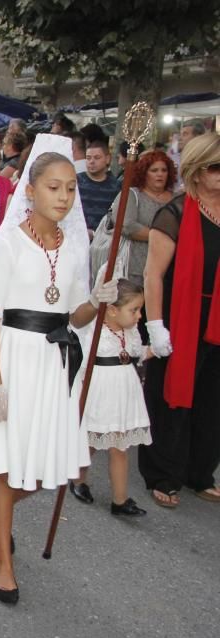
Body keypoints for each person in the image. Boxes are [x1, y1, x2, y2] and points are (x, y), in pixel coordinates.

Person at [0, 135, 117, 605]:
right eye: (54, 187)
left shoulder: (74, 245)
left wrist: (96, 300)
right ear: (31, 190)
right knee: (8, 467)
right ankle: (2, 558)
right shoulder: (7, 242)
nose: (64, 197)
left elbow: (73, 316)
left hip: (52, 362)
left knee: (51, 471)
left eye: (70, 188)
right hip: (13, 358)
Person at [139, 133, 220, 509]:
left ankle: (199, 472)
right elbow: (153, 275)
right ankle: (163, 474)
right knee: (171, 398)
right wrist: (156, 327)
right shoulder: (173, 213)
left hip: (217, 318)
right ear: (198, 171)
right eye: (216, 167)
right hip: (180, 317)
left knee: (212, 400)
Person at [68, 279, 150, 516]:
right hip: (100, 392)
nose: (139, 316)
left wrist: (153, 350)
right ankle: (78, 479)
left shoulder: (130, 331)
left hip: (124, 392)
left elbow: (135, 352)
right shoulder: (93, 330)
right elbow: (82, 363)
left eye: (139, 309)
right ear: (112, 310)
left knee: (119, 446)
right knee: (93, 441)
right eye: (134, 310)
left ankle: (120, 500)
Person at [113, 150, 176, 287]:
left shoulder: (177, 199)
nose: (160, 174)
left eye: (164, 170)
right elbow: (127, 226)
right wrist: (163, 237)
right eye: (154, 170)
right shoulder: (131, 195)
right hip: (135, 269)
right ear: (143, 173)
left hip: (170, 269)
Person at [76, 139, 120, 235]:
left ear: (107, 158)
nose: (91, 161)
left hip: (102, 240)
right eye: (88, 158)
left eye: (97, 157)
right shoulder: (75, 181)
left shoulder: (116, 187)